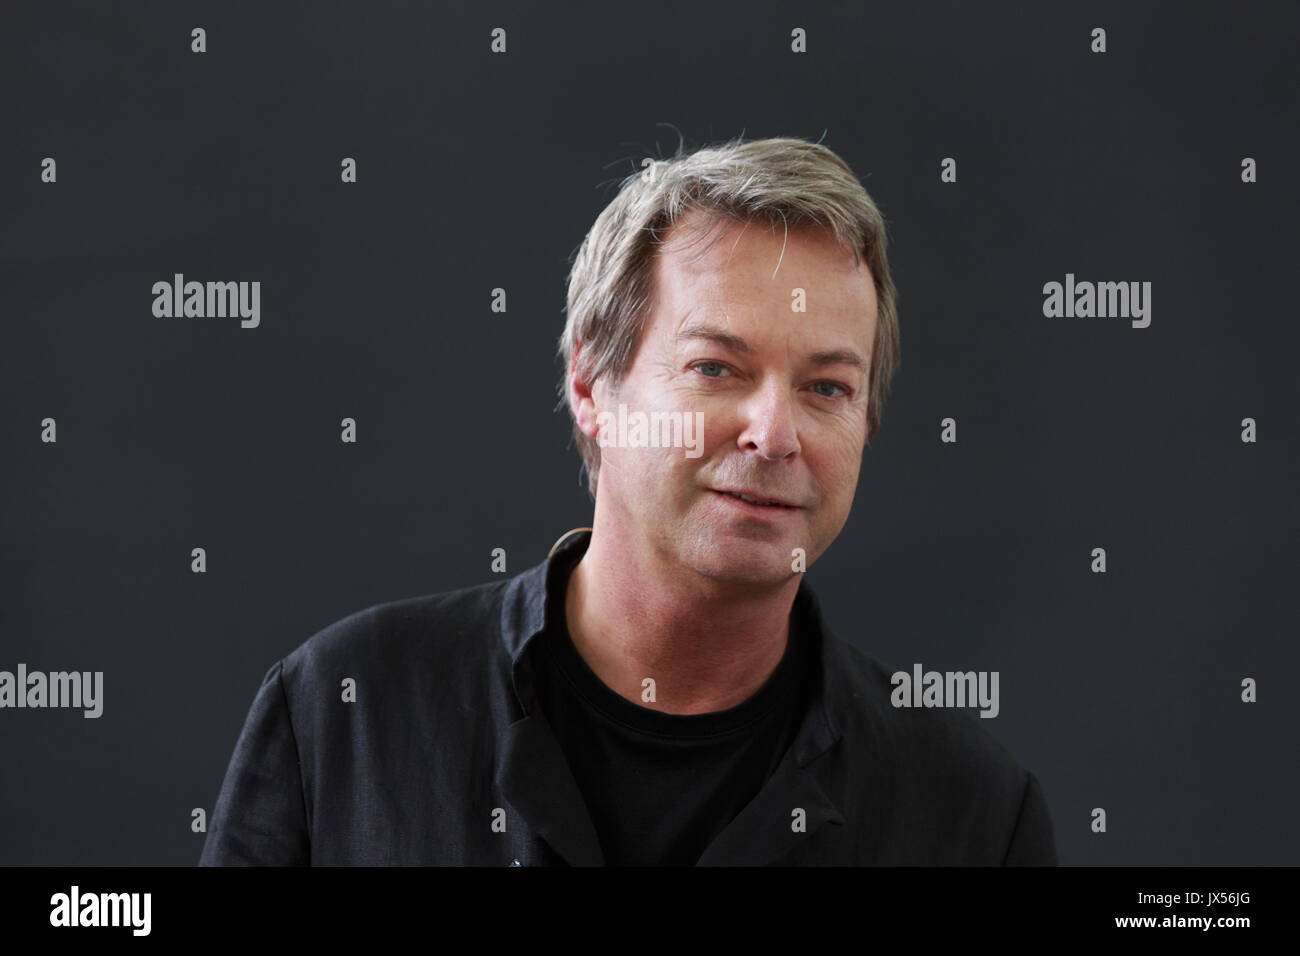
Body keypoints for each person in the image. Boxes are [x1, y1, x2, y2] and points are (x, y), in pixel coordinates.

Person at [200, 136, 1058, 866]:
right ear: (589, 384)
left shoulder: (973, 817)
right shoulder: (341, 718)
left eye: (827, 387)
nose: (774, 433)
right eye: (715, 368)